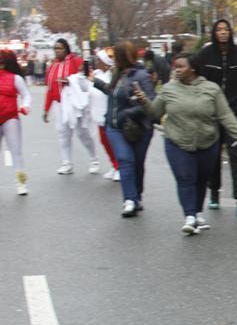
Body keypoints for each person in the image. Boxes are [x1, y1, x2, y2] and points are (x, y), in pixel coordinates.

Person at [135, 54, 237, 235]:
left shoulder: (211, 89)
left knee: (201, 179)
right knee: (185, 178)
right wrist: (144, 102)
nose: (176, 70)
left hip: (207, 142)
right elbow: (155, 112)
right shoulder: (168, 89)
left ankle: (196, 212)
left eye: (181, 66)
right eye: (175, 67)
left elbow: (225, 115)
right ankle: (189, 216)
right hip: (177, 141)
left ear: (193, 68)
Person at [192, 19, 237, 217]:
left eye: (226, 29)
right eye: (219, 30)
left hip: (234, 112)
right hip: (211, 113)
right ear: (214, 32)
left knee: (236, 157)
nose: (223, 33)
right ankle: (214, 191)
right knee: (213, 157)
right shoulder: (205, 55)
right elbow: (197, 83)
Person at [90, 41, 156, 217]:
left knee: (137, 164)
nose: (112, 59)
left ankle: (137, 196)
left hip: (139, 127)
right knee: (125, 160)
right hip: (115, 127)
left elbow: (151, 101)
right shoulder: (116, 74)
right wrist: (94, 81)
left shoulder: (141, 75)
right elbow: (111, 92)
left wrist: (128, 113)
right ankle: (129, 200)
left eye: (115, 56)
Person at [43, 38, 100, 175]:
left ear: (66, 48)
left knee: (82, 133)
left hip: (74, 103)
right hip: (59, 104)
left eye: (60, 48)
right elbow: (50, 89)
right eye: (56, 48)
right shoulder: (52, 66)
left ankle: (94, 159)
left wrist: (70, 81)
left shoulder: (75, 60)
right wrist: (46, 109)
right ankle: (66, 163)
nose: (58, 51)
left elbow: (85, 76)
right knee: (63, 134)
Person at [0, 50, 31, 195]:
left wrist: (25, 106)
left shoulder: (15, 78)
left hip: (10, 118)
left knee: (15, 152)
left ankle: (21, 183)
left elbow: (26, 95)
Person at [89, 49, 120, 181]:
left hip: (108, 113)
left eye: (99, 60)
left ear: (106, 63)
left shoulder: (112, 74)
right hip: (97, 113)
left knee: (112, 142)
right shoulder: (95, 73)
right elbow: (85, 88)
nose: (97, 62)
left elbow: (110, 90)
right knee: (104, 141)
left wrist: (94, 80)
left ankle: (119, 167)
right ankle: (114, 165)